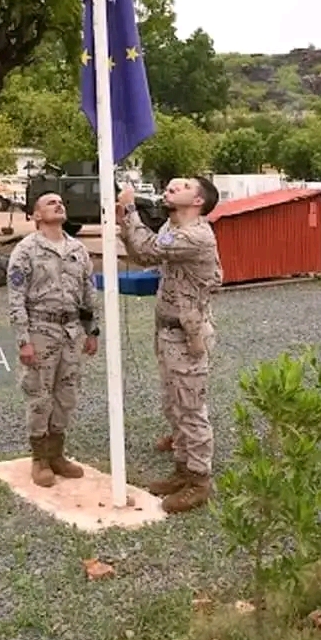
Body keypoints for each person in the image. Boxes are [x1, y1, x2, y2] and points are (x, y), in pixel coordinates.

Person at [116, 177, 222, 514]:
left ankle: (200, 481)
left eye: (185, 185)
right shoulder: (171, 226)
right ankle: (182, 470)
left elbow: (147, 249)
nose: (173, 187)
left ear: (199, 202)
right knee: (173, 403)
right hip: (167, 330)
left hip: (185, 335)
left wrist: (130, 209)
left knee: (190, 408)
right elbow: (141, 249)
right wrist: (127, 222)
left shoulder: (195, 235)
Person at [7, 191, 99, 487]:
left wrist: (92, 331)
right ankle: (40, 458)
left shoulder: (78, 250)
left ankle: (57, 453)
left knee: (67, 395)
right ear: (36, 215)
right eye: (50, 203)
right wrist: (24, 340)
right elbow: (16, 298)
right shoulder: (25, 250)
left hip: (71, 331)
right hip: (40, 331)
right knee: (39, 395)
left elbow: (88, 292)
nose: (59, 204)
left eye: (61, 202)